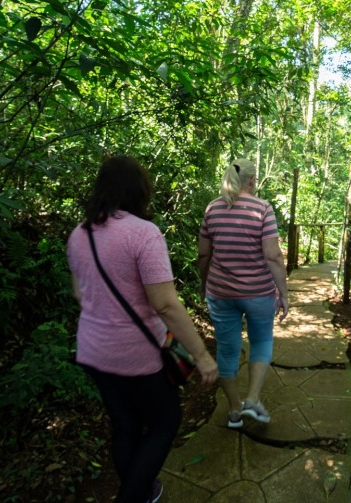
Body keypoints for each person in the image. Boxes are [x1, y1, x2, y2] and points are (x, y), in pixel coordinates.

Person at [66, 155, 218, 503]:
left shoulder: (79, 233)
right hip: (135, 354)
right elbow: (164, 303)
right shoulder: (143, 234)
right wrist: (201, 355)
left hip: (92, 351)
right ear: (140, 190)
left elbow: (79, 293)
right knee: (164, 422)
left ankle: (143, 491)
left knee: (125, 425)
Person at [197, 158, 288, 429]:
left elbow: (204, 254)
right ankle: (252, 400)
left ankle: (235, 410)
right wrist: (283, 293)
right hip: (258, 293)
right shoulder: (263, 208)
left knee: (227, 349)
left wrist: (204, 283)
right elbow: (272, 255)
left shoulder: (213, 208)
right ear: (251, 180)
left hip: (221, 292)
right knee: (260, 342)